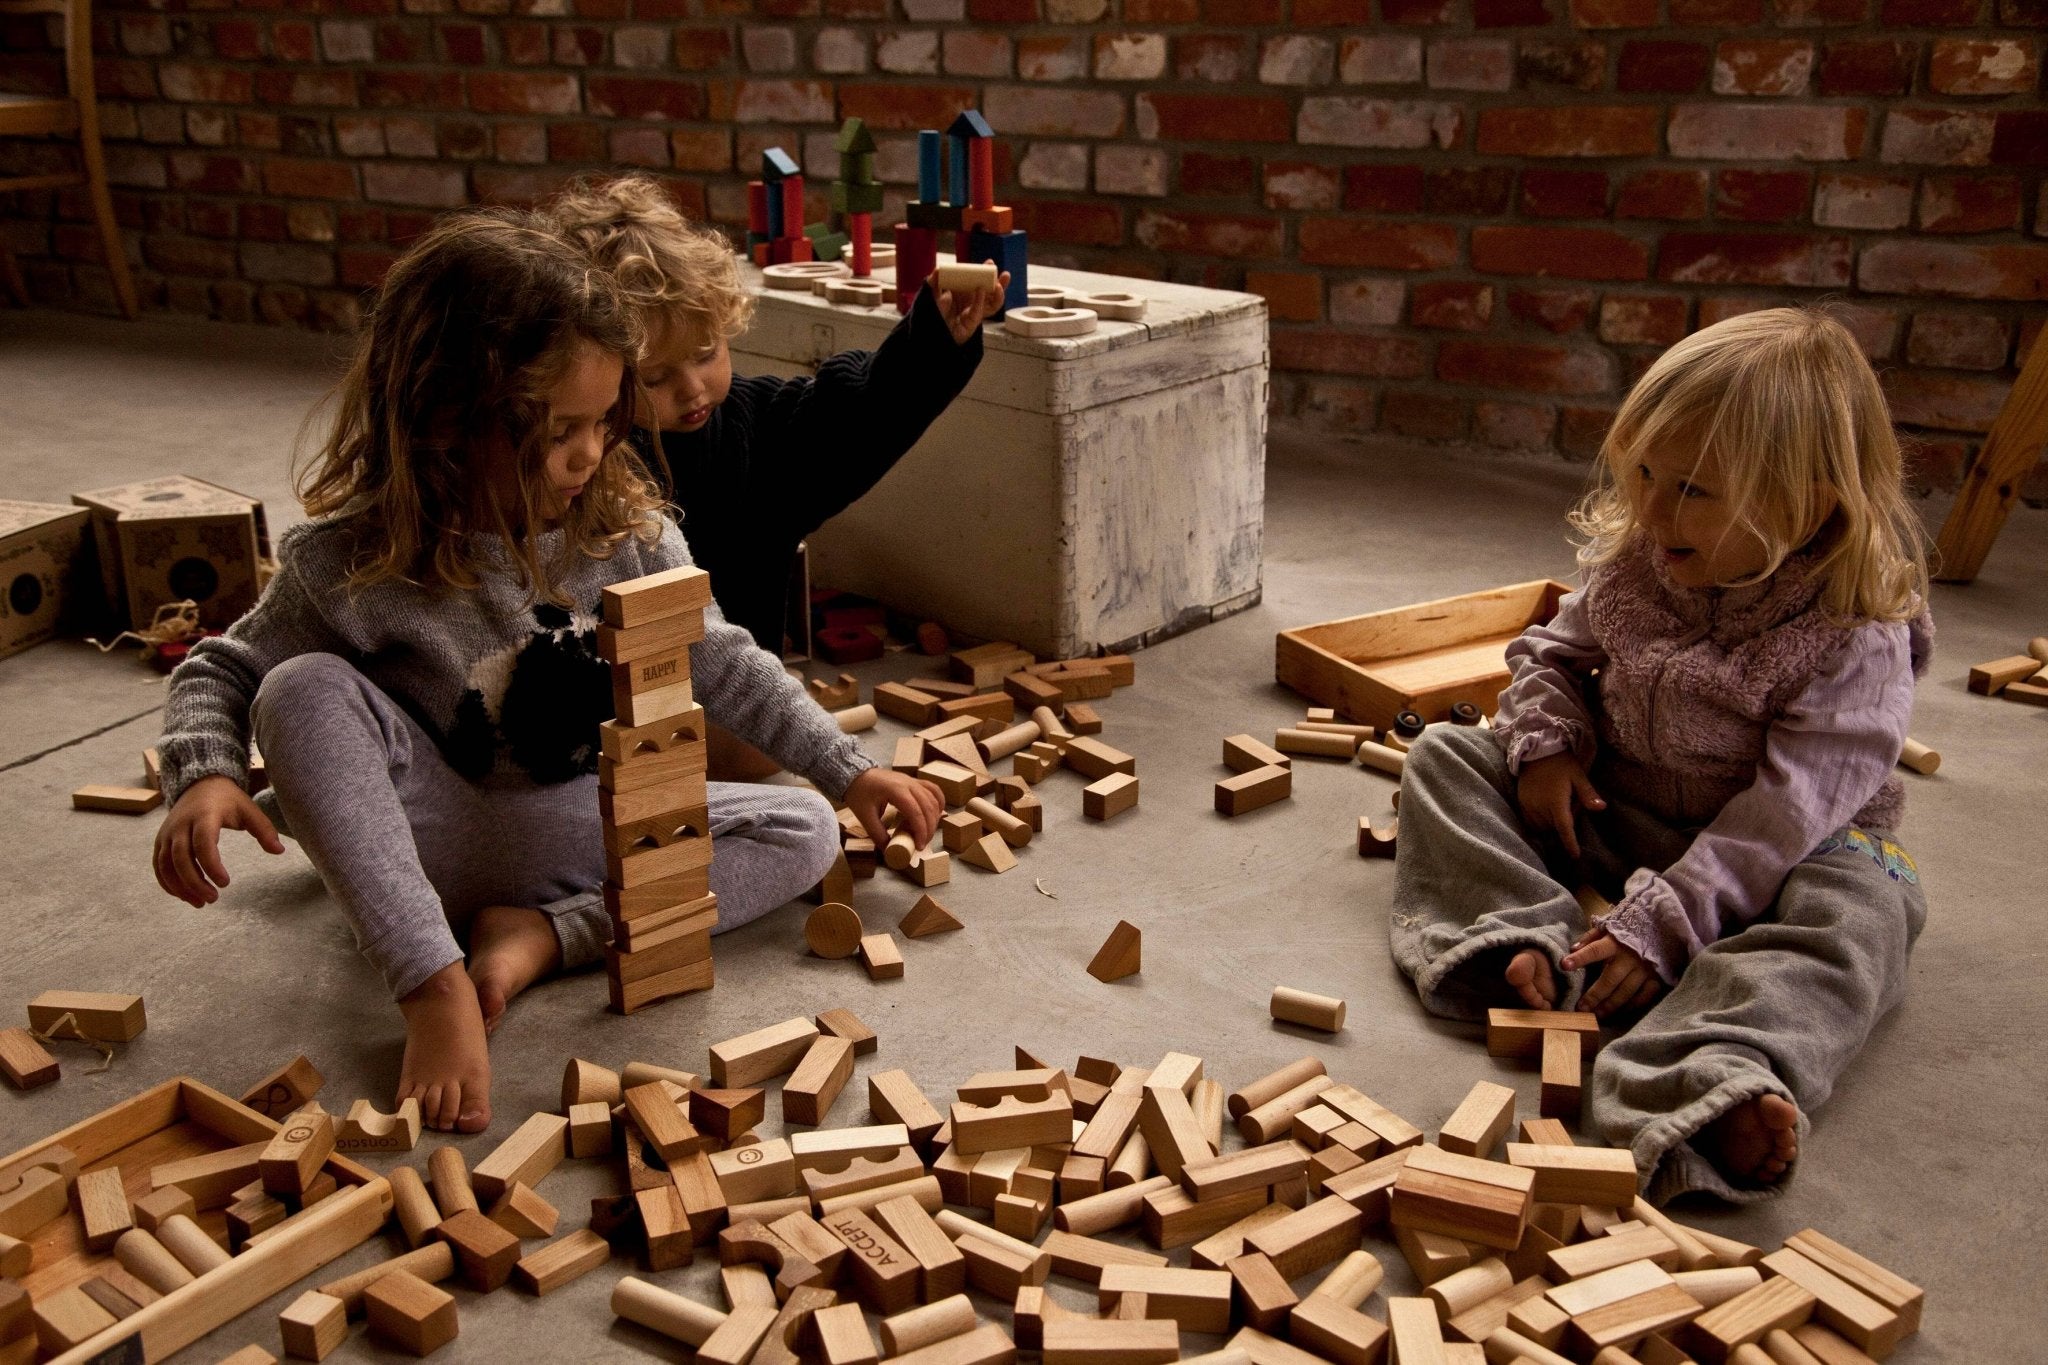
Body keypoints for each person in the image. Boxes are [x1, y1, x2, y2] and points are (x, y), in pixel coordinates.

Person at [150, 210, 942, 1133]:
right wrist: (202, 773)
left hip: (574, 824)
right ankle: (431, 980)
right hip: (429, 834)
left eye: (606, 423)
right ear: (449, 418)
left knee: (801, 828)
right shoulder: (350, 560)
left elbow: (720, 656)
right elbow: (223, 666)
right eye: (562, 428)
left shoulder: (632, 530)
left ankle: (543, 936)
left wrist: (847, 769)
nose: (591, 453)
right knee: (299, 691)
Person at [1389, 308, 1933, 1203]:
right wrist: (1548, 747)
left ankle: (1712, 1069)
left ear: (1813, 502)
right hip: (1625, 814)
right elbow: (1550, 655)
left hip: (1789, 857)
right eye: (1643, 469)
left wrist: (1672, 917)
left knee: (1860, 917)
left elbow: (1786, 814)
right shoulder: (1642, 562)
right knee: (1449, 756)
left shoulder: (1851, 632)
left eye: (1693, 490)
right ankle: (1518, 936)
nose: (1650, 506)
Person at [537, 176, 1005, 777]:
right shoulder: (580, 462)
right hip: (606, 718)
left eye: (707, 352)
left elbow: (857, 415)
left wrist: (935, 342)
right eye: (654, 378)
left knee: (760, 750)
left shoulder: (757, 429)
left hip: (733, 703)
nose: (692, 387)